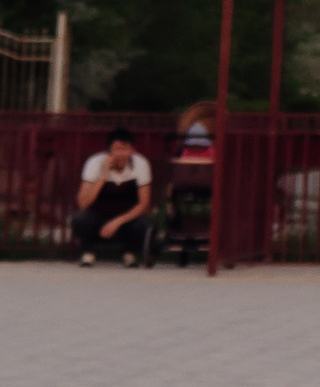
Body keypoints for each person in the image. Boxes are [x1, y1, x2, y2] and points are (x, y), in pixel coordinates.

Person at [73, 134, 153, 264]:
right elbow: (83, 203)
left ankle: (130, 253)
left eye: (126, 149)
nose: (122, 154)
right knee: (80, 218)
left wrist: (116, 222)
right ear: (109, 151)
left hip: (127, 217)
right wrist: (103, 175)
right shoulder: (94, 162)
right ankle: (88, 252)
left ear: (132, 150)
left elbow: (144, 204)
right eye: (118, 149)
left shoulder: (141, 163)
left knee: (144, 223)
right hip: (98, 215)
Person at [164, 101, 217, 266]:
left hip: (192, 185)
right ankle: (175, 218)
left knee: (171, 191)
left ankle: (173, 216)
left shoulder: (188, 152)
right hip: (198, 185)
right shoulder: (208, 152)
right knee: (171, 191)